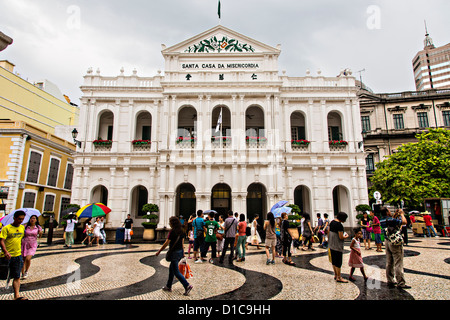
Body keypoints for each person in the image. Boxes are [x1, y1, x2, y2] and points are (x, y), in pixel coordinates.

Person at [156, 216, 193, 296]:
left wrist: (159, 251)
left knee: (176, 271)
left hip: (174, 253)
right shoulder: (182, 231)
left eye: (170, 222)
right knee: (171, 269)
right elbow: (182, 243)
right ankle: (168, 286)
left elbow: (167, 242)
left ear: (172, 223)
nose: (169, 223)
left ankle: (187, 285)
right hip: (179, 252)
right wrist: (183, 252)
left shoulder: (172, 231)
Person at [380, 207, 410, 289]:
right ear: (386, 212)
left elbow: (391, 220)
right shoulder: (390, 220)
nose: (390, 211)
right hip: (394, 241)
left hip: (387, 241)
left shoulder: (382, 220)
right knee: (398, 262)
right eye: (389, 210)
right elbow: (404, 222)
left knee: (389, 262)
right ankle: (401, 282)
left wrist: (396, 214)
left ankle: (390, 280)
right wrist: (402, 214)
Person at [0, 210, 27, 300]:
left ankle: (17, 296)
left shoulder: (22, 228)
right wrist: (5, 251)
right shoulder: (6, 228)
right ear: (14, 218)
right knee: (2, 275)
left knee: (17, 276)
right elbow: (1, 241)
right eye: (19, 219)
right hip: (6, 256)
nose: (21, 221)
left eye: (22, 219)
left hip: (17, 255)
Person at [329, 212, 350, 283]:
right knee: (338, 262)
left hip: (331, 244)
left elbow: (329, 231)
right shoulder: (339, 225)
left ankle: (336, 274)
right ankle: (339, 277)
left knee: (334, 261)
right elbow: (341, 237)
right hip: (337, 245)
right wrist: (346, 236)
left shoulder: (332, 222)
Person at [21, 215, 43, 280]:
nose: (32, 220)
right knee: (23, 259)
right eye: (31, 218)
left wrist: (40, 233)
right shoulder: (25, 227)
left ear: (36, 220)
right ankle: (22, 273)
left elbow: (39, 236)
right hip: (24, 243)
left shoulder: (38, 227)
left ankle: (26, 270)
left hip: (32, 244)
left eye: (34, 218)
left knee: (28, 258)